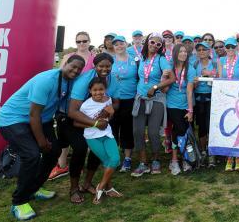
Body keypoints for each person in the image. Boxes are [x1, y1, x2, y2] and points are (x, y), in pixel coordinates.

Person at [0, 55, 85, 221]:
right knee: (32, 155)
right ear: (64, 64)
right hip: (13, 119)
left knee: (55, 151)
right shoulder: (47, 79)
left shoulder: (71, 81)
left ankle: (33, 188)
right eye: (72, 67)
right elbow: (34, 114)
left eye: (79, 69)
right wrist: (41, 142)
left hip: (41, 120)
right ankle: (19, 202)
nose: (75, 71)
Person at [66, 53, 119, 204]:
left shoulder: (112, 79)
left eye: (107, 66)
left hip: (99, 122)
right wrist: (94, 122)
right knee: (80, 149)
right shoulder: (84, 80)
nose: (104, 69)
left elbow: (116, 102)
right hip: (77, 118)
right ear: (94, 66)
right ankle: (74, 188)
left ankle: (88, 184)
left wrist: (108, 109)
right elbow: (72, 111)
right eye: (100, 66)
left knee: (97, 154)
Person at [50, 32, 95, 181]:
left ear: (89, 41)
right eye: (78, 41)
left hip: (86, 101)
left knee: (84, 133)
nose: (81, 43)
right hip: (66, 100)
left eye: (84, 41)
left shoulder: (94, 58)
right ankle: (62, 165)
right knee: (63, 134)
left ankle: (80, 163)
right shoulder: (68, 57)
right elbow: (59, 74)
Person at [131, 33, 173, 177]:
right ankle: (143, 163)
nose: (154, 45)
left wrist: (155, 87)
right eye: (152, 42)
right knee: (138, 132)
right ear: (147, 42)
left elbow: (172, 78)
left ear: (161, 47)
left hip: (157, 99)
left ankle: (156, 159)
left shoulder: (161, 59)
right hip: (140, 99)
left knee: (154, 132)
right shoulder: (140, 59)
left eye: (158, 44)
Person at [78, 77, 122, 204]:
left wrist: (112, 112)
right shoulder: (85, 106)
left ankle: (100, 187)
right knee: (108, 161)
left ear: (105, 90)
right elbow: (78, 123)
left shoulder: (108, 100)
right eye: (95, 90)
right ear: (90, 90)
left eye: (101, 89)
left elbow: (108, 117)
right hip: (92, 137)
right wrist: (95, 124)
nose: (98, 92)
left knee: (115, 159)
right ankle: (108, 188)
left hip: (107, 134)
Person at [109, 35, 138, 173]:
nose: (119, 46)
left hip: (129, 99)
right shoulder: (110, 61)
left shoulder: (135, 60)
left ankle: (127, 159)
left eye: (121, 44)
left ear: (126, 44)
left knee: (127, 129)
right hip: (113, 100)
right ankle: (114, 158)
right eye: (116, 45)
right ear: (113, 47)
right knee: (113, 128)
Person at [217, 37, 239, 172]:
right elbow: (219, 78)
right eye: (227, 47)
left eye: (232, 47)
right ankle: (229, 157)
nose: (230, 50)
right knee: (227, 125)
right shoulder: (221, 60)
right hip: (225, 98)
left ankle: (238, 157)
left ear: (236, 48)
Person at [166, 44, 195, 175]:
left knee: (179, 131)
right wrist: (163, 78)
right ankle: (176, 160)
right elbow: (165, 88)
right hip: (171, 104)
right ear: (175, 53)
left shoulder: (190, 69)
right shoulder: (170, 67)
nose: (183, 53)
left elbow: (189, 91)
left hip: (185, 104)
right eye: (181, 51)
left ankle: (182, 159)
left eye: (185, 51)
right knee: (180, 130)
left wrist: (190, 110)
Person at [190, 41, 217, 166]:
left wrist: (211, 75)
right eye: (199, 50)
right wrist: (195, 82)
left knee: (211, 125)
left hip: (213, 97)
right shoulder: (195, 64)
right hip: (199, 97)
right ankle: (203, 150)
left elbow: (221, 77)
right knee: (201, 125)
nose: (201, 52)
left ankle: (212, 152)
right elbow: (191, 83)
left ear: (209, 51)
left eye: (204, 49)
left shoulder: (215, 63)